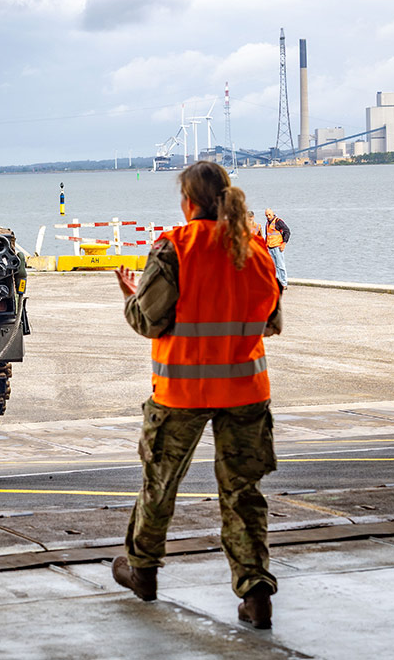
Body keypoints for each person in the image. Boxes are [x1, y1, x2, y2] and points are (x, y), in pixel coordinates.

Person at [111, 160, 283, 630]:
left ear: (188, 202)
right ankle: (256, 593)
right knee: (243, 493)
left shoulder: (174, 248)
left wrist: (131, 293)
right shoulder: (257, 250)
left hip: (181, 391)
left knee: (160, 484)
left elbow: (148, 320)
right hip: (246, 391)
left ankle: (142, 572)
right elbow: (272, 321)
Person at [263, 208, 290, 289]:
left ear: (273, 213)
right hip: (270, 247)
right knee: (273, 266)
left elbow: (287, 231)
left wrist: (284, 244)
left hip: (277, 247)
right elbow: (267, 236)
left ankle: (284, 283)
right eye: (266, 215)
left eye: (269, 215)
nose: (268, 216)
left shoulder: (278, 222)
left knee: (280, 265)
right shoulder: (267, 223)